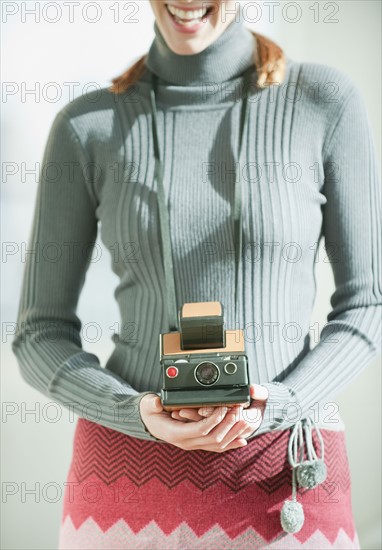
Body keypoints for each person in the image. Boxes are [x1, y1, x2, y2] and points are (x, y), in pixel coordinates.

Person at [11, 1, 381, 549]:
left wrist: (280, 405)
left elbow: (366, 305)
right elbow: (37, 333)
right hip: (123, 476)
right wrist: (130, 411)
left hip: (284, 471)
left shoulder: (323, 101)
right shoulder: (87, 125)